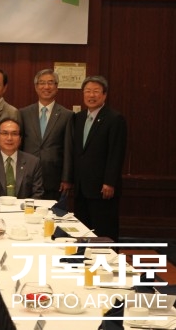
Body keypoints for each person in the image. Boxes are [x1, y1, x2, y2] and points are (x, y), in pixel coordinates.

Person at [71, 76, 127, 241]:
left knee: (104, 231)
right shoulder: (78, 118)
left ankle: (108, 257)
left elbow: (116, 152)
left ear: (104, 95)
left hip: (102, 188)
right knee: (82, 231)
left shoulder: (114, 119)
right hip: (81, 187)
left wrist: (109, 182)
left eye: (96, 91)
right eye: (88, 91)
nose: (91, 95)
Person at [19, 69, 73, 200]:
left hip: (54, 177)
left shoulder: (67, 115)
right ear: (36, 87)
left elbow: (68, 149)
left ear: (56, 87)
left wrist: (66, 178)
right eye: (42, 83)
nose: (46, 87)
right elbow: (19, 144)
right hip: (27, 174)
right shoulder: (24, 113)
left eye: (50, 83)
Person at [0, 118, 44, 200]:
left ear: (20, 138)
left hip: (24, 208)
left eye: (14, 134)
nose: (9, 138)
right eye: (5, 133)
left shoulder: (33, 162)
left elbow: (37, 194)